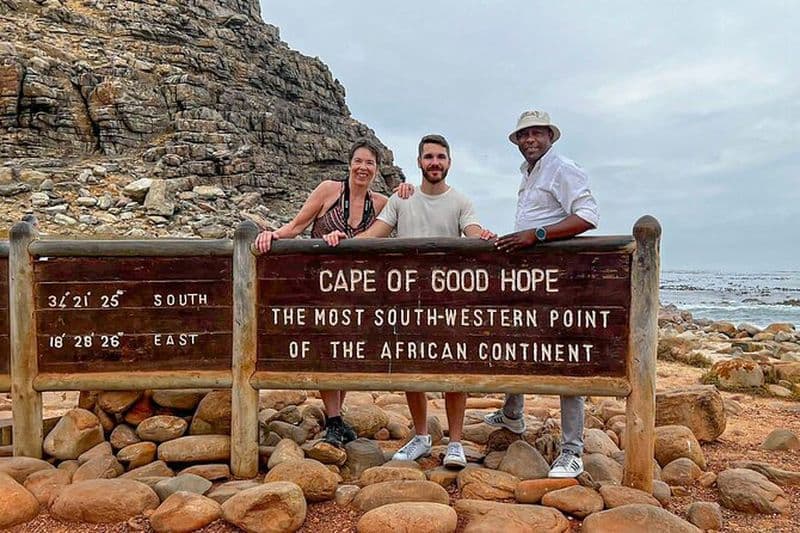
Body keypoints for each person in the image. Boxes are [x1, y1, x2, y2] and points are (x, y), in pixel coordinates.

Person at [324, 134, 495, 469]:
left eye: (440, 157)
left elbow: (472, 229)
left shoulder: (461, 201)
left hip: (448, 300)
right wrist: (342, 241)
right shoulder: (402, 199)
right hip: (406, 299)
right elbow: (374, 235)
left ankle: (456, 442)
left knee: (453, 369)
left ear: (449, 162)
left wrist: (484, 236)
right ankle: (420, 435)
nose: (435, 162)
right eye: (428, 156)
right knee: (410, 369)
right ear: (419, 162)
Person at [254, 137, 412, 448]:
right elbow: (297, 226)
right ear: (349, 163)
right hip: (320, 284)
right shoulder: (328, 190)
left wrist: (408, 190)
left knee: (347, 350)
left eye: (370, 163)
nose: (363, 167)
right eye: (359, 161)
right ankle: (334, 419)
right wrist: (273, 235)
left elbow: (404, 213)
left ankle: (337, 417)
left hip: (356, 288)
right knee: (327, 348)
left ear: (377, 169)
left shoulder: (380, 203)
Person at [484, 110, 599, 478]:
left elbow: (588, 215)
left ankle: (572, 450)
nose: (530, 139)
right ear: (517, 141)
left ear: (550, 136)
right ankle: (513, 413)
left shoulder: (562, 168)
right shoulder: (528, 173)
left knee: (564, 355)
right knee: (518, 340)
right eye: (524, 135)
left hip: (557, 278)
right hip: (530, 278)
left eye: (537, 133)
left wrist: (539, 235)